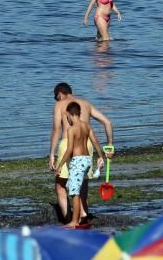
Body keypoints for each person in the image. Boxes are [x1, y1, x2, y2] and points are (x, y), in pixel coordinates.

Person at [48, 83, 115, 224]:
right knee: (82, 183)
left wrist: (52, 155)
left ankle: (69, 220)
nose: (58, 100)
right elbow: (107, 122)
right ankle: (83, 214)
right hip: (87, 144)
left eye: (57, 98)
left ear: (60, 94)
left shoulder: (60, 105)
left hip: (68, 143)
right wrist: (109, 145)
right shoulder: (85, 104)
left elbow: (56, 130)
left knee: (60, 185)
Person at [59, 101, 104, 228]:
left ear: (69, 114)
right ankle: (79, 218)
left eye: (67, 116)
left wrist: (60, 165)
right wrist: (100, 156)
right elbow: (95, 141)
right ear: (79, 113)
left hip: (77, 161)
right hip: (87, 160)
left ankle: (74, 221)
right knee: (78, 189)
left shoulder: (71, 129)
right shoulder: (86, 126)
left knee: (74, 192)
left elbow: (69, 150)